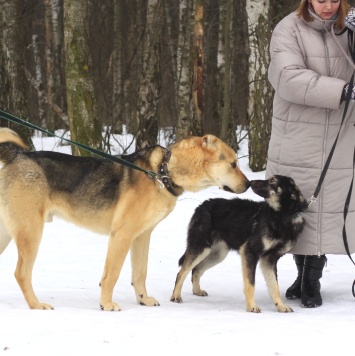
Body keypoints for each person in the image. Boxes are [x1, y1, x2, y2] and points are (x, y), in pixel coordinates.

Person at [266, 0, 355, 308]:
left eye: (335, 0)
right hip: (299, 133)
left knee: (328, 207)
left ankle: (311, 280)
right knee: (298, 207)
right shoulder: (288, 28)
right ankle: (302, 277)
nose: (328, 6)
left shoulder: (349, 28)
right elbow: (287, 78)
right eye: (321, 0)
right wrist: (342, 91)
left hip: (342, 133)